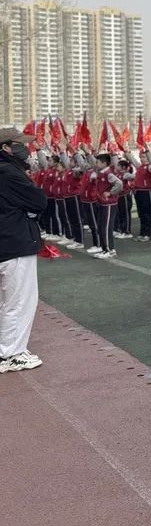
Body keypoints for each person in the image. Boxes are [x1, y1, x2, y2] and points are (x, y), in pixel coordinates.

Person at [0, 128, 48, 374]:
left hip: (6, 242)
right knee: (19, 301)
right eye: (20, 144)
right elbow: (39, 201)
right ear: (6, 147)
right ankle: (11, 353)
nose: (26, 148)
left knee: (7, 301)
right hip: (14, 243)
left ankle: (6, 349)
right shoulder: (8, 172)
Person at [91, 153, 123, 259]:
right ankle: (106, 248)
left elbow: (119, 183)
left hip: (108, 204)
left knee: (106, 227)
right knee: (101, 226)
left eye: (98, 162)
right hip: (102, 203)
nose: (96, 164)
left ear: (104, 163)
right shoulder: (101, 173)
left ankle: (109, 250)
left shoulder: (108, 174)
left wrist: (110, 193)